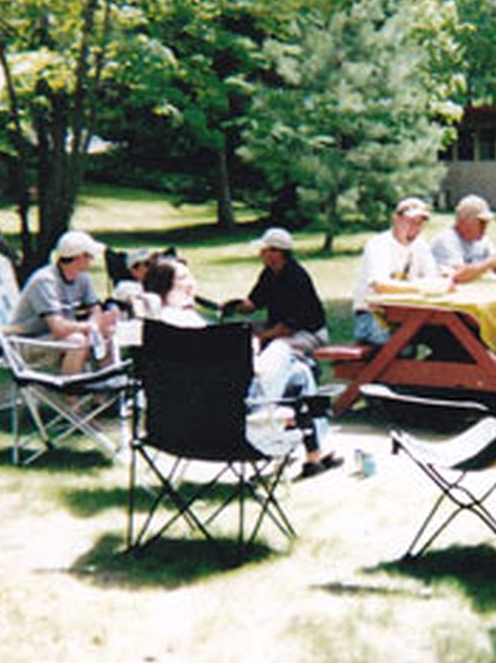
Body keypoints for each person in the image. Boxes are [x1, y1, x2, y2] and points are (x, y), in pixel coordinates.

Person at [144, 256, 342, 479]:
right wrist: (250, 351)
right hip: (235, 411)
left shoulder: (156, 329)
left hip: (177, 424)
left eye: (190, 276)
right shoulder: (186, 324)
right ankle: (313, 451)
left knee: (299, 374)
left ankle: (314, 455)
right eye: (182, 277)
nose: (191, 282)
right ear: (163, 284)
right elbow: (229, 372)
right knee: (283, 351)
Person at [9, 230, 117, 374]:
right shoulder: (45, 281)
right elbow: (58, 328)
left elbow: (95, 309)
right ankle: (71, 394)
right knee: (77, 341)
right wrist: (90, 327)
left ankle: (104, 392)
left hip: (60, 339)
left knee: (109, 334)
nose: (92, 260)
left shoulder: (82, 278)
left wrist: (96, 327)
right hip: (27, 343)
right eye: (89, 256)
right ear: (79, 257)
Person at [351, 197, 450, 345]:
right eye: (410, 221)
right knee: (401, 345)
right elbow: (380, 286)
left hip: (407, 316)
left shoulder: (420, 246)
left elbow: (433, 278)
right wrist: (421, 287)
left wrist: (443, 277)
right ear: (396, 219)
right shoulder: (379, 245)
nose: (415, 227)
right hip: (372, 316)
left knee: (447, 336)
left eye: (419, 223)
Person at [223, 227, 329, 358]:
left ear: (276, 253)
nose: (260, 254)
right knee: (238, 333)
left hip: (308, 333)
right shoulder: (269, 273)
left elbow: (288, 327)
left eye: (264, 250)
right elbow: (253, 303)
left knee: (276, 349)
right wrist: (234, 305)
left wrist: (261, 337)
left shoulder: (295, 278)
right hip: (279, 327)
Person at [430, 194, 496, 282]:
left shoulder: (482, 240)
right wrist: (490, 263)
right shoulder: (446, 241)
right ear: (464, 221)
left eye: (486, 222)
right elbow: (457, 277)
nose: (485, 227)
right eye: (482, 222)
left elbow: (494, 267)